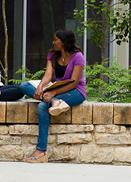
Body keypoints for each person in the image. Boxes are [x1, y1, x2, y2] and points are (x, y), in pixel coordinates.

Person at [20, 29, 87, 163]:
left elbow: (74, 82)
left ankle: (41, 150)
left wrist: (53, 93)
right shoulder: (52, 54)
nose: (53, 42)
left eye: (56, 39)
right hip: (56, 88)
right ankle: (54, 101)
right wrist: (40, 87)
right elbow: (48, 75)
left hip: (75, 92)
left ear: (63, 42)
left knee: (42, 106)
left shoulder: (77, 56)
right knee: (23, 86)